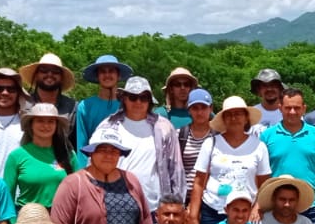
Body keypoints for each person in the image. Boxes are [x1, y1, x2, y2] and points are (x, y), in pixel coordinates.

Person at [96, 76, 183, 214]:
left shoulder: (164, 127)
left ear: (150, 101)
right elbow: (94, 164)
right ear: (124, 98)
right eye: (133, 97)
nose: (138, 102)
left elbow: (176, 169)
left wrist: (178, 206)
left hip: (154, 208)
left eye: (144, 97)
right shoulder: (108, 126)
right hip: (114, 205)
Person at [188, 96, 271, 224]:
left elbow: (264, 183)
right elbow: (198, 182)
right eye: (229, 115)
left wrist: (258, 207)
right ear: (224, 119)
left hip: (245, 213)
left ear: (246, 118)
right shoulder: (210, 143)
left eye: (238, 114)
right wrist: (193, 216)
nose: (234, 118)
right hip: (213, 210)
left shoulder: (259, 146)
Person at [260, 88, 315, 224]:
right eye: (288, 108)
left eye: (296, 108)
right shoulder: (267, 136)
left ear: (304, 109)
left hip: (310, 206)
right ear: (280, 108)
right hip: (277, 206)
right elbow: (260, 172)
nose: (292, 112)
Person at [2, 102, 81, 209]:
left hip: (61, 220)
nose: (45, 126)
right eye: (40, 121)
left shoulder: (68, 155)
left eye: (51, 121)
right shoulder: (16, 156)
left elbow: (79, 191)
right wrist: (13, 223)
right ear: (31, 124)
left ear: (56, 125)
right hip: (27, 219)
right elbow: (7, 198)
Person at [74, 54, 132, 154]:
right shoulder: (85, 107)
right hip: (93, 164)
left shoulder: (129, 105)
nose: (107, 75)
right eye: (103, 72)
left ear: (118, 75)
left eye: (111, 71)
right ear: (97, 76)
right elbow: (81, 145)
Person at [19, 53, 77, 134]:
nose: (49, 74)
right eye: (44, 70)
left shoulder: (73, 107)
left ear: (61, 78)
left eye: (55, 71)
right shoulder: (22, 103)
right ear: (36, 75)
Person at [176, 89, 214, 196]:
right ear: (189, 110)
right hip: (184, 196)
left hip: (210, 197)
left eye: (203, 108)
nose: (200, 112)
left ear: (211, 108)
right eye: (195, 108)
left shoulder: (218, 136)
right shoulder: (179, 135)